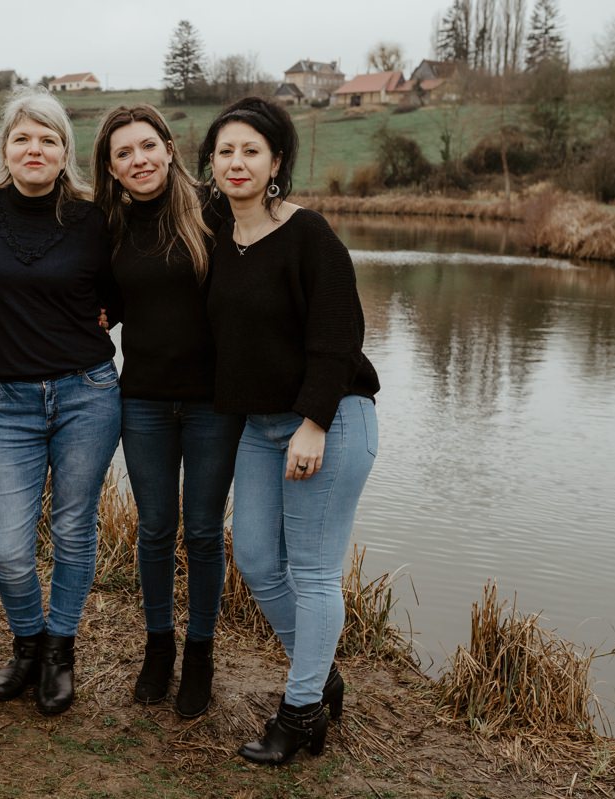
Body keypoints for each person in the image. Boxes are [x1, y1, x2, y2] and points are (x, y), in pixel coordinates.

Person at [199, 97, 380, 764]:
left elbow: (339, 339)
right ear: (211, 163)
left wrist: (314, 423)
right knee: (254, 558)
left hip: (330, 420)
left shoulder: (309, 235)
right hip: (260, 426)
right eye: (225, 151)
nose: (237, 162)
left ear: (276, 162)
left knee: (313, 572)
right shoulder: (217, 234)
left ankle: (301, 713)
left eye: (251, 150)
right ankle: (319, 671)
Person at [0, 87, 121, 715]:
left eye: (48, 139)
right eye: (23, 138)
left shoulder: (95, 217)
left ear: (65, 152)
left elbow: (126, 286)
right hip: (8, 402)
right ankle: (27, 643)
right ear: (5, 149)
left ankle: (60, 650)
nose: (35, 149)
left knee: (73, 528)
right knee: (7, 548)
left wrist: (104, 316)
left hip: (88, 394)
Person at [90, 105, 243, 718]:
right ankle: (159, 647)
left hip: (212, 403)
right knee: (155, 529)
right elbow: (109, 300)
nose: (139, 160)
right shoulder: (111, 226)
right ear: (111, 168)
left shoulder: (213, 211)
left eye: (148, 146)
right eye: (124, 153)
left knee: (203, 531)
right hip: (144, 400)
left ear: (170, 147)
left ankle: (200, 653)